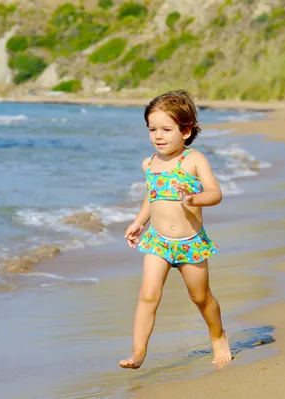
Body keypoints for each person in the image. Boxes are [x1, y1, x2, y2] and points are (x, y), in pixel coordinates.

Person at [119, 90, 232, 369]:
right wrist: (138, 221)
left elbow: (215, 193)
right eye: (152, 129)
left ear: (186, 130)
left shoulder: (193, 160)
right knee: (148, 296)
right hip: (158, 242)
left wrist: (193, 198)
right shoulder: (149, 164)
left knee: (200, 297)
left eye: (166, 129)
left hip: (189, 243)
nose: (158, 136)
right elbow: (152, 196)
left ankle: (218, 336)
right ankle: (138, 353)